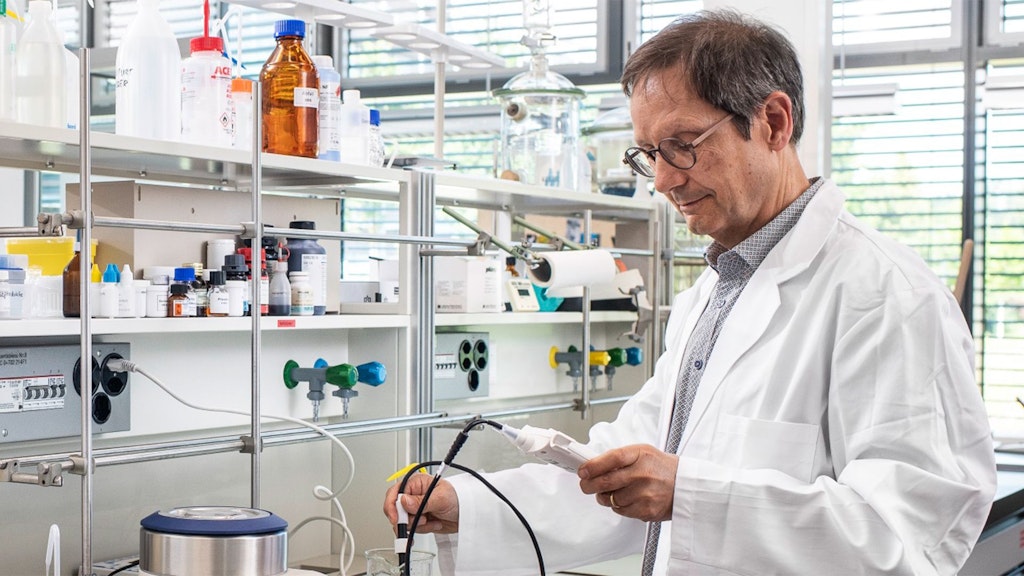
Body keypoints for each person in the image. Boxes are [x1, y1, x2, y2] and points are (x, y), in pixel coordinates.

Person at [384, 9, 996, 575]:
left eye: (682, 147)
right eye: (650, 154)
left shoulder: (885, 293)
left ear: (773, 122)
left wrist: (694, 494)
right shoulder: (714, 291)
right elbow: (627, 468)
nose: (665, 181)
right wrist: (470, 501)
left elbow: (910, 534)